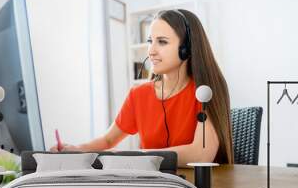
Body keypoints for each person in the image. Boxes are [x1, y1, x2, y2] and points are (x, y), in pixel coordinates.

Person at [50, 9, 234, 167]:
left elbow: (202, 154)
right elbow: (108, 140)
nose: (151, 50)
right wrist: (76, 150)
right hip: (156, 186)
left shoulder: (205, 91)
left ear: (186, 48)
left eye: (162, 42)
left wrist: (140, 156)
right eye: (150, 41)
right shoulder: (139, 95)